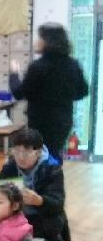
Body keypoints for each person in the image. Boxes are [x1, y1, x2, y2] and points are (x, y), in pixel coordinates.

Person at [0, 128, 71, 241]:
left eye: (26, 153)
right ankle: (24, 238)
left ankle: (7, 235)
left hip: (37, 216)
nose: (21, 157)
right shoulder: (11, 166)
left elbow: (58, 204)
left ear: (38, 152)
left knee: (55, 223)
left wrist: (40, 201)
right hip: (14, 215)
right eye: (17, 152)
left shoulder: (51, 168)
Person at [9, 22, 89, 159]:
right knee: (52, 155)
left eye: (39, 38)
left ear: (47, 41)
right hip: (63, 121)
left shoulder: (38, 66)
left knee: (40, 159)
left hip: (40, 122)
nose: (36, 42)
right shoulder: (73, 65)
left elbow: (18, 93)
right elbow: (83, 91)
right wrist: (64, 95)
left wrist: (14, 74)